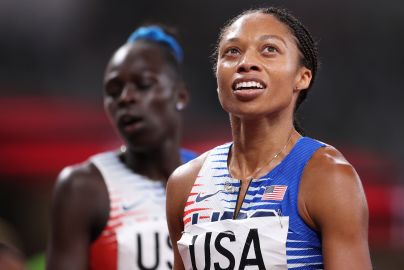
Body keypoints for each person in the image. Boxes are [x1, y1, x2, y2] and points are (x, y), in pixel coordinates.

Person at [166, 7, 371, 270]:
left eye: (269, 49)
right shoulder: (185, 183)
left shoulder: (327, 177)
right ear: (217, 77)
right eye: (232, 52)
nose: (245, 63)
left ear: (302, 77)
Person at [47, 24, 195, 270]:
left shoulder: (211, 180)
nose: (126, 98)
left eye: (144, 84)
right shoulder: (84, 187)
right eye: (113, 91)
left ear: (180, 95)